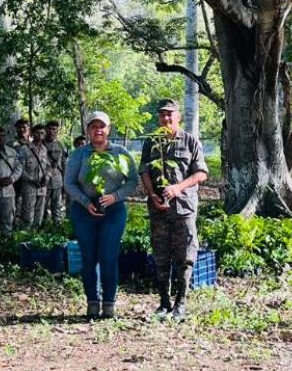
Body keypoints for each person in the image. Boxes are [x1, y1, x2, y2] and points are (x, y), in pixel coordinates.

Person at [65, 111, 138, 320]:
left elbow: (132, 181)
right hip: (84, 212)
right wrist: (85, 201)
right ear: (88, 130)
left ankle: (109, 303)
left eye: (102, 126)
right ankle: (92, 302)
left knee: (108, 256)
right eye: (94, 126)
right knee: (88, 257)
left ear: (109, 129)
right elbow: (69, 183)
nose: (98, 130)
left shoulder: (120, 153)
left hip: (113, 212)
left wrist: (115, 196)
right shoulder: (79, 154)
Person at [140, 100, 208, 320]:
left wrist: (178, 187)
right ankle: (164, 303)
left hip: (183, 208)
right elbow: (144, 171)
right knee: (161, 255)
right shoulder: (152, 142)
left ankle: (181, 303)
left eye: (170, 114)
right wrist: (152, 194)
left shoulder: (190, 141)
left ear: (178, 117)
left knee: (185, 256)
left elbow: (201, 173)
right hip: (158, 208)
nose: (166, 118)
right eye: (162, 115)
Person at [17, 124, 50, 230]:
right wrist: (31, 179)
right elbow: (20, 169)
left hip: (42, 186)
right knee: (28, 212)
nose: (39, 135)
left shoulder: (44, 149)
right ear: (32, 134)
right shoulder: (24, 149)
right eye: (37, 133)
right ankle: (26, 234)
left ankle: (36, 233)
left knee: (39, 211)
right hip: (29, 185)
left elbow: (48, 166)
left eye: (42, 133)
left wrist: (47, 177)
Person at [43, 120, 66, 226]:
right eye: (50, 129)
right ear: (45, 130)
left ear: (57, 131)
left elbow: (64, 164)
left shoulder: (60, 145)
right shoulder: (40, 144)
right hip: (44, 181)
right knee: (42, 207)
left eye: (54, 129)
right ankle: (41, 227)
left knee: (56, 206)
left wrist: (65, 182)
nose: (52, 131)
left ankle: (57, 227)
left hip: (57, 180)